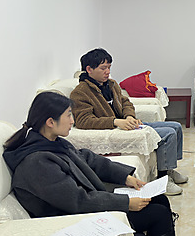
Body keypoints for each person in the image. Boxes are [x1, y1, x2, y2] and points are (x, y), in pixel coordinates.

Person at [2, 92, 195, 236]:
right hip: (70, 218)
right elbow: (78, 201)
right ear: (50, 122)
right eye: (68, 115)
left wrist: (125, 177)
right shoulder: (37, 163)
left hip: (82, 206)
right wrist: (126, 203)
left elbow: (87, 158)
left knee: (159, 199)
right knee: (157, 214)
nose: (73, 121)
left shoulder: (53, 142)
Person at [71, 48, 187, 196]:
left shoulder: (111, 84)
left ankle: (169, 168)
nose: (108, 72)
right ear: (89, 69)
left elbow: (126, 102)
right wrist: (115, 122)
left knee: (176, 126)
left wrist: (129, 116)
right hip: (115, 129)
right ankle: (163, 178)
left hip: (127, 125)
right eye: (103, 68)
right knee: (168, 134)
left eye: (109, 67)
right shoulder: (80, 92)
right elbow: (84, 121)